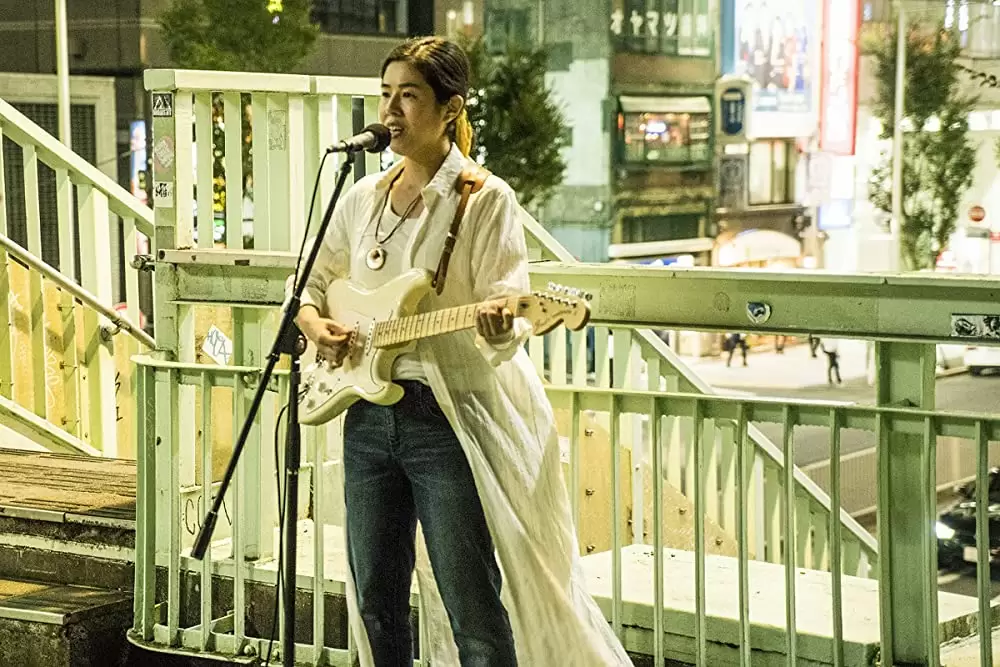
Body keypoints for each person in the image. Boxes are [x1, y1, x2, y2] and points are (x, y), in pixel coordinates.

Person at [295, 37, 631, 667]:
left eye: (410, 97)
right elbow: (311, 282)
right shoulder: (363, 195)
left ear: (450, 108)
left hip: (443, 420)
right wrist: (315, 325)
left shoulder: (483, 197)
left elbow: (507, 313)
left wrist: (505, 321)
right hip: (366, 418)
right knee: (375, 601)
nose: (392, 110)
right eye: (386, 94)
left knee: (471, 606)